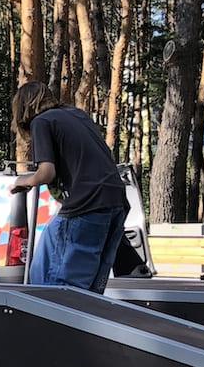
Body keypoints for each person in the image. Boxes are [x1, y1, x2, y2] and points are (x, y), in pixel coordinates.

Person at [8, 81, 128, 294]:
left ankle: (51, 324)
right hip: (116, 201)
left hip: (87, 202)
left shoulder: (41, 122)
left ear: (23, 107)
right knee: (90, 286)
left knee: (54, 281)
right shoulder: (77, 115)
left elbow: (47, 172)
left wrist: (24, 181)